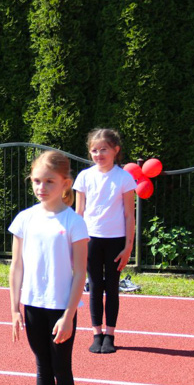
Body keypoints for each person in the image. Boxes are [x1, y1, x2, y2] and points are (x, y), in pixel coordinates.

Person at [9, 150, 89, 385]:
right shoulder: (24, 219)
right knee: (42, 368)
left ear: (66, 183)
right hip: (33, 307)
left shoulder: (73, 222)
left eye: (49, 181)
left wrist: (69, 315)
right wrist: (14, 308)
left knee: (61, 368)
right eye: (36, 181)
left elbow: (80, 271)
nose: (41, 187)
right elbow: (16, 266)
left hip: (60, 308)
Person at [73, 128, 136, 355]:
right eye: (94, 150)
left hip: (116, 241)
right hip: (90, 239)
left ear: (115, 150)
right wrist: (75, 242)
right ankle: (96, 333)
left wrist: (128, 246)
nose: (98, 154)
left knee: (112, 287)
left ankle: (110, 333)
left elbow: (129, 214)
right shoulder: (84, 177)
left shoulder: (124, 178)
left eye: (104, 149)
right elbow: (79, 213)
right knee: (94, 286)